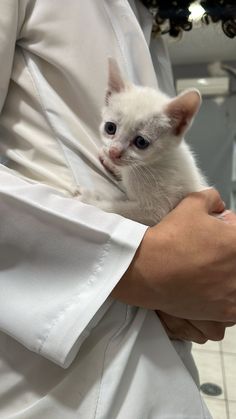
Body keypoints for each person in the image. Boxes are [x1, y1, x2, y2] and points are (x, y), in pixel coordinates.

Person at [0, 1, 236, 418]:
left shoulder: (149, 21)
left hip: (166, 368)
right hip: (56, 372)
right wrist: (147, 267)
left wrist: (188, 294)